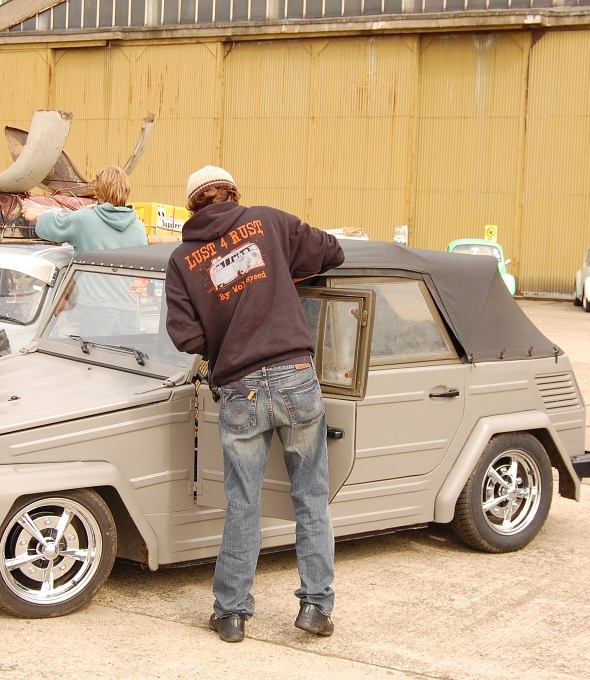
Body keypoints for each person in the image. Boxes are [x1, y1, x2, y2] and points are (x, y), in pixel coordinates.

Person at [164, 165, 345, 643]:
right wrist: (281, 267)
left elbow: (185, 336)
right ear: (234, 194)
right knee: (311, 497)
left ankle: (231, 614)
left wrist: (223, 339)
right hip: (295, 377)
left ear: (191, 206)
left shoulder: (182, 260)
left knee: (243, 503)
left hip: (239, 387)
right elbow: (332, 250)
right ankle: (315, 607)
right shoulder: (266, 222)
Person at [21, 165, 148, 335]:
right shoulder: (139, 228)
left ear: (99, 191)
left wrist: (37, 215)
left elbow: (53, 227)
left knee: (94, 353)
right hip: (129, 312)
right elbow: (141, 275)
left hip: (95, 311)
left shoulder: (84, 220)